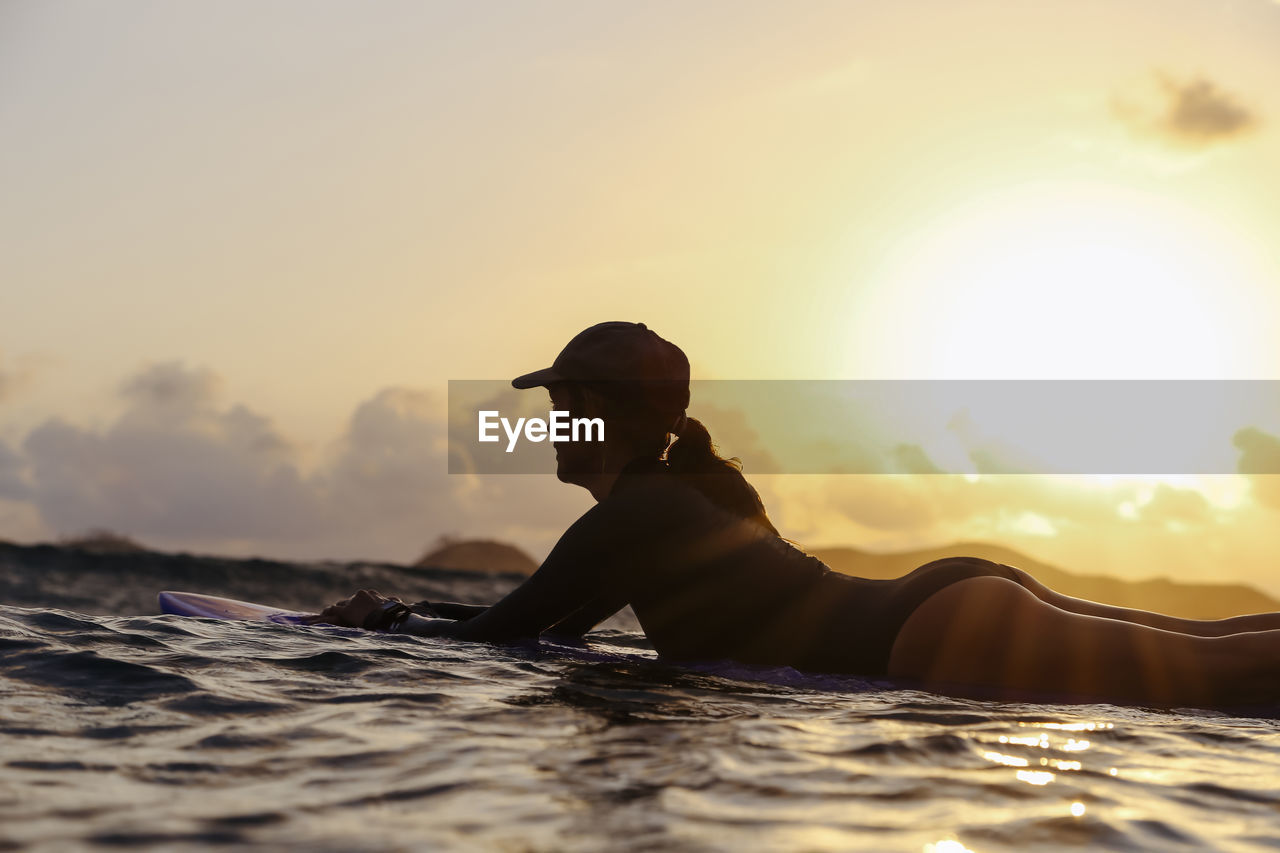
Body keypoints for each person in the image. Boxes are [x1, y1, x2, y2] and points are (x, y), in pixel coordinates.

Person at [312, 322, 1280, 710]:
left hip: (924, 632)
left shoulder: (632, 517)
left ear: (600, 414)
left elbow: (498, 635)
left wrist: (384, 626)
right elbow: (537, 629)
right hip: (933, 608)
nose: (547, 428)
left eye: (559, 406)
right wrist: (411, 618)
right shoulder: (669, 503)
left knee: (1225, 671)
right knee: (1219, 645)